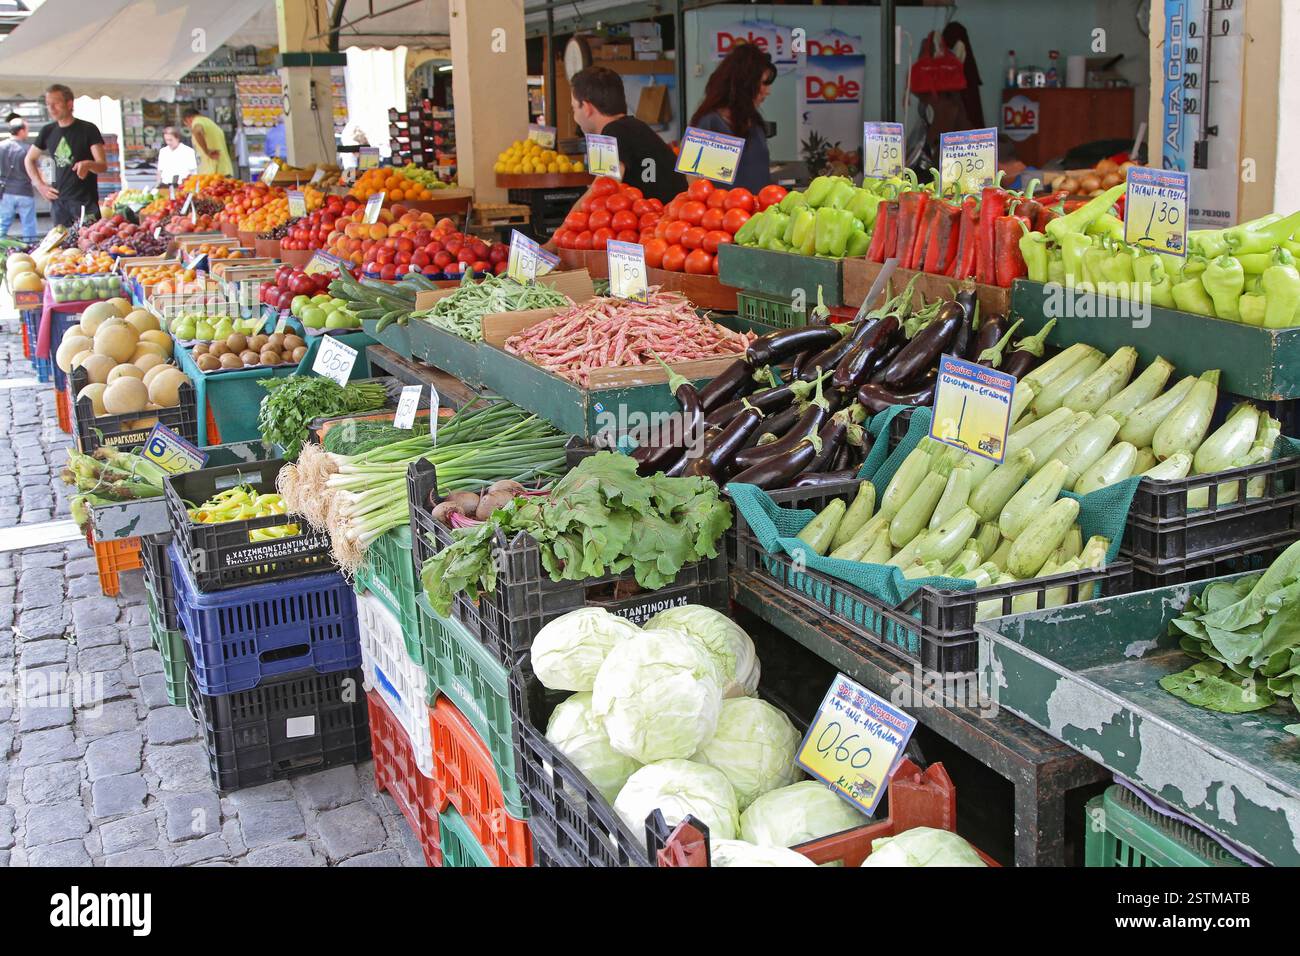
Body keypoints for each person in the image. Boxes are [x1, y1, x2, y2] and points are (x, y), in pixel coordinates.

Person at [569, 66, 685, 204]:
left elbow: (602, 191)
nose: (575, 117)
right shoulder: (635, 126)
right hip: (670, 217)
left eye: (574, 108)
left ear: (587, 108)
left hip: (660, 221)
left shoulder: (610, 134)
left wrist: (565, 224)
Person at [689, 43, 776, 194]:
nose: (768, 92)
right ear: (744, 83)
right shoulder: (713, 123)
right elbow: (696, 184)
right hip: (729, 215)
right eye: (763, 84)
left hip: (760, 213)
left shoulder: (754, 122)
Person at [24, 84, 106, 227]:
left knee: (90, 244)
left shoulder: (88, 129)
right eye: (48, 104)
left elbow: (102, 165)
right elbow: (29, 159)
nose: (51, 108)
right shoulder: (47, 131)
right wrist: (40, 185)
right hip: (59, 203)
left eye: (56, 103)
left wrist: (89, 164)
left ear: (69, 103)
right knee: (63, 247)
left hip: (85, 202)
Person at [0, 117, 38, 242]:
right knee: (29, 226)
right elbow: (37, 170)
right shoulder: (29, 149)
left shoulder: (1, 146)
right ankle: (30, 251)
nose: (28, 132)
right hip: (25, 191)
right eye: (27, 129)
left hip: (6, 192)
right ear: (21, 131)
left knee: (3, 225)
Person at [183, 107, 233, 177]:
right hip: (223, 169)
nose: (189, 127)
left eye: (187, 124)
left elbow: (197, 131)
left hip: (213, 172)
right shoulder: (210, 123)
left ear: (188, 119)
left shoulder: (197, 121)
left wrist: (207, 151)